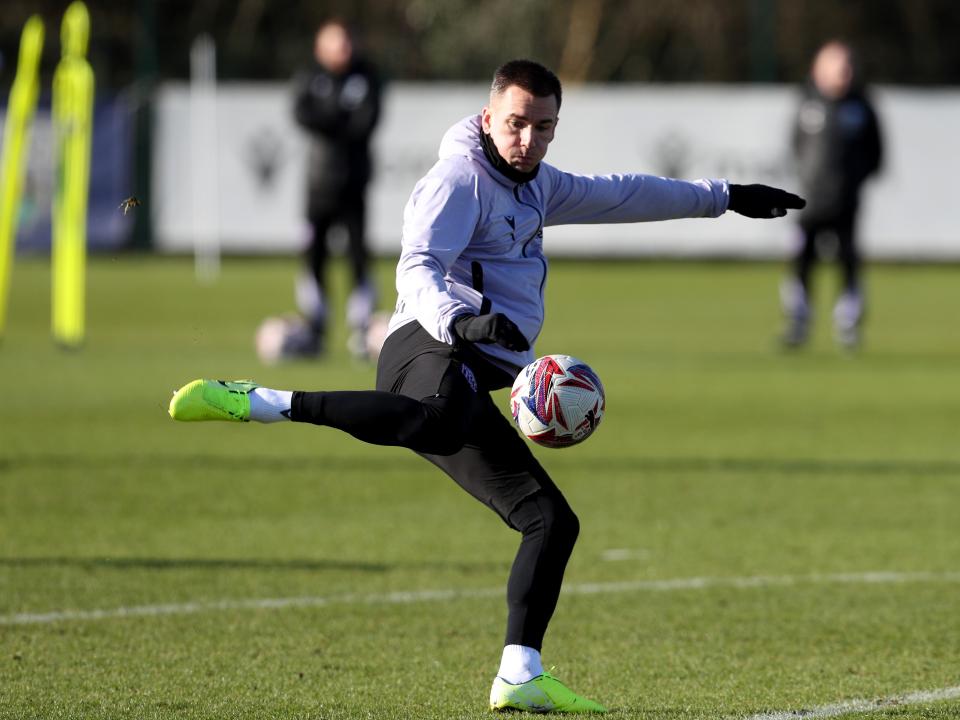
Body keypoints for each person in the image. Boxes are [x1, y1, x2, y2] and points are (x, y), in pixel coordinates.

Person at [169, 60, 804, 713]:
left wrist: (725, 196)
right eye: (516, 123)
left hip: (475, 365)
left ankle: (520, 672)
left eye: (544, 126)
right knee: (438, 415)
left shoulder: (539, 185)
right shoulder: (458, 180)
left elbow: (626, 192)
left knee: (551, 522)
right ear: (489, 115)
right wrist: (461, 319)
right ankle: (262, 402)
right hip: (428, 343)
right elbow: (417, 268)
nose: (528, 138)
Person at [288, 18, 381, 359]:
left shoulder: (366, 75)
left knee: (358, 255)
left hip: (354, 183)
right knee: (314, 257)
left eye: (345, 42)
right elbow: (301, 114)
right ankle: (314, 327)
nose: (341, 49)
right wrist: (339, 116)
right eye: (333, 43)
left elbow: (367, 121)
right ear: (320, 47)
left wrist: (332, 119)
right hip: (317, 184)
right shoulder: (310, 76)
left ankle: (363, 330)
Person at [781, 39, 883, 349]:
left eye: (848, 66)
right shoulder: (806, 103)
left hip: (847, 203)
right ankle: (797, 322)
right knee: (801, 261)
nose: (844, 72)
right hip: (809, 203)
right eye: (838, 66)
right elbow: (796, 148)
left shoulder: (862, 107)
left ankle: (848, 326)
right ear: (819, 69)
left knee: (848, 263)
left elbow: (876, 155)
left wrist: (851, 181)